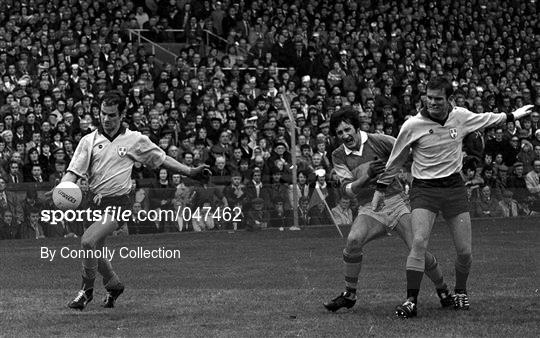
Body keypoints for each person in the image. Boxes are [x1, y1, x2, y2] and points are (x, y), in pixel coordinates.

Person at [371, 77, 533, 318]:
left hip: (454, 189)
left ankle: (460, 291)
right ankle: (411, 300)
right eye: (429, 97)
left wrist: (513, 115)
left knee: (465, 252)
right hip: (425, 190)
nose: (433, 102)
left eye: (438, 98)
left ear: (450, 100)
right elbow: (395, 160)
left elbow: (488, 118)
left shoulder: (461, 116)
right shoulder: (412, 125)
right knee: (418, 243)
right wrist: (379, 190)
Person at [49, 91, 209, 311]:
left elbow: (162, 159)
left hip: (120, 203)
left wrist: (190, 171)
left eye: (112, 115)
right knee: (96, 249)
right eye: (103, 114)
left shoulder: (135, 140)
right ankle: (114, 285)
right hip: (95, 202)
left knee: (87, 241)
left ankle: (85, 291)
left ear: (121, 114)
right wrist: (62, 189)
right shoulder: (88, 141)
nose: (106, 119)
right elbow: (73, 172)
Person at [323, 106, 452, 313]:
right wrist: (367, 176)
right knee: (353, 241)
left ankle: (443, 289)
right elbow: (348, 191)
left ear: (356, 128)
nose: (345, 136)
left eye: (348, 130)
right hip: (370, 208)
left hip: (397, 201)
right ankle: (349, 294)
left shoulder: (379, 140)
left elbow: (408, 150)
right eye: (339, 133)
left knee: (417, 249)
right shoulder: (338, 155)